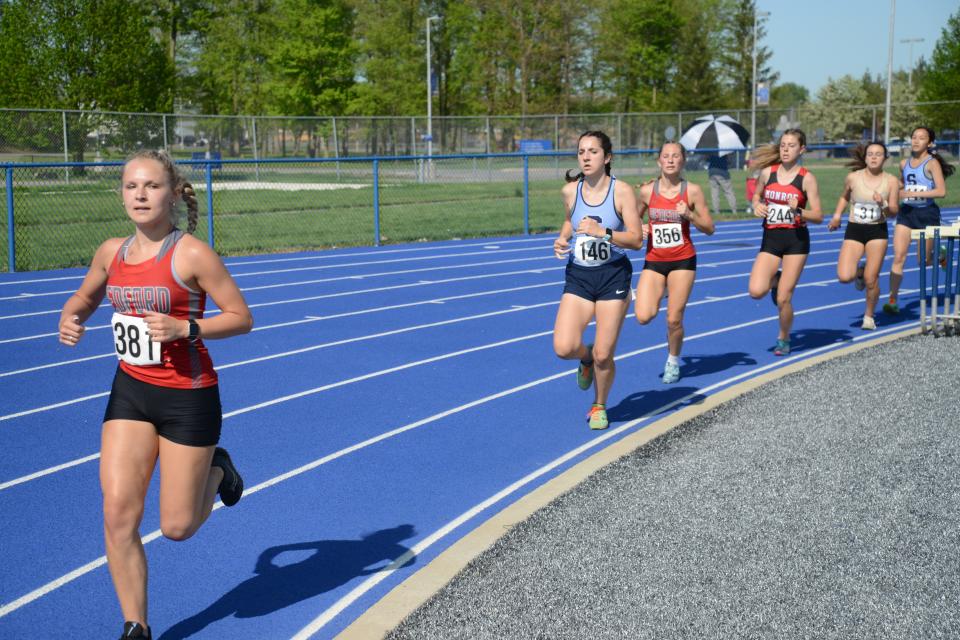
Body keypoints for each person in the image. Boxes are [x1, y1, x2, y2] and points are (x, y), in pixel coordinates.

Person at [57, 149, 254, 640]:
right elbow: (87, 294)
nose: (140, 195)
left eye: (151, 186)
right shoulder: (111, 252)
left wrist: (186, 327)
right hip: (131, 392)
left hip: (188, 397)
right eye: (131, 186)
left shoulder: (191, 254)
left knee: (177, 528)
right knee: (118, 510)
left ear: (171, 193)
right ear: (121, 194)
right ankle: (136, 625)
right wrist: (72, 315)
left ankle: (219, 468)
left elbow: (240, 317)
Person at [553, 131, 643, 430]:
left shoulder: (622, 192)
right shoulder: (570, 191)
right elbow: (569, 220)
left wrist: (602, 233)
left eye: (593, 152)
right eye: (581, 152)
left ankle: (599, 404)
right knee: (564, 347)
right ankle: (585, 357)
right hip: (579, 274)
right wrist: (562, 238)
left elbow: (636, 239)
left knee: (607, 354)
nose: (586, 157)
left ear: (607, 157)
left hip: (612, 276)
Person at [635, 141, 715, 383]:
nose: (670, 160)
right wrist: (640, 226)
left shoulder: (692, 191)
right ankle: (666, 288)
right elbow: (630, 221)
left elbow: (710, 228)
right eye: (666, 156)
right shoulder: (648, 191)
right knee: (643, 316)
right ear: (659, 161)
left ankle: (672, 360)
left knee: (673, 319)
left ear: (683, 161)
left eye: (676, 156)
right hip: (655, 260)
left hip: (683, 260)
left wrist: (689, 215)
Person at [747, 128, 824, 355]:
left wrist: (799, 210)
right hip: (771, 238)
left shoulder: (806, 178)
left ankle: (784, 337)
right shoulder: (767, 173)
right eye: (783, 145)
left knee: (783, 298)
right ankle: (776, 279)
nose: (786, 149)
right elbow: (756, 196)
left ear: (802, 149)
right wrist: (757, 205)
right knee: (756, 290)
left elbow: (819, 215)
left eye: (791, 145)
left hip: (796, 241)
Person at [883, 126, 956, 314]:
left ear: (929, 143)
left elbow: (941, 191)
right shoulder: (903, 163)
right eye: (914, 137)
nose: (915, 140)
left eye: (921, 138)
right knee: (898, 256)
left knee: (923, 261)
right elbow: (903, 183)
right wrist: (890, 188)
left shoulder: (932, 164)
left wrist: (911, 192)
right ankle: (892, 299)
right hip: (907, 213)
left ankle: (939, 254)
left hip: (927, 214)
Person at [827, 142, 900, 330]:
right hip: (855, 229)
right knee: (844, 276)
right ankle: (859, 271)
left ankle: (869, 316)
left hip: (877, 231)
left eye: (878, 154)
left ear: (885, 158)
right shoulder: (853, 178)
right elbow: (844, 197)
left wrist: (883, 202)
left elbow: (893, 211)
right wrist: (836, 216)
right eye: (870, 154)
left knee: (871, 279)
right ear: (865, 157)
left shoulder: (891, 181)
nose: (874, 157)